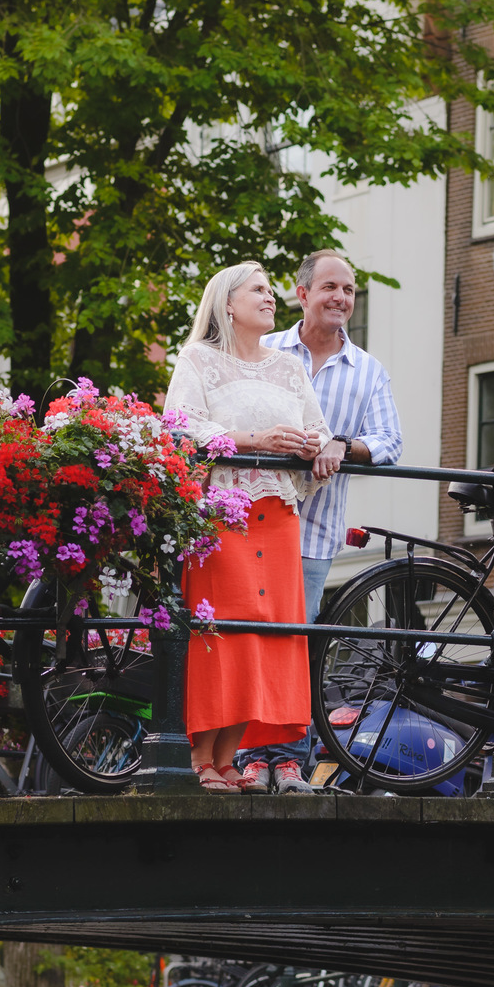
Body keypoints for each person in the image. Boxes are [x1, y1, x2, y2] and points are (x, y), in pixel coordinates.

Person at [162, 261, 339, 792]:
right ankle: (200, 759)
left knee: (266, 631)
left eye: (270, 290)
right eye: (257, 290)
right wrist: (254, 439)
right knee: (223, 629)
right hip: (224, 514)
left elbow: (321, 430)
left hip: (278, 518)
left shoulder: (289, 368)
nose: (270, 297)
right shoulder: (198, 359)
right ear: (227, 302)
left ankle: (230, 757)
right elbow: (180, 426)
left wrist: (317, 446)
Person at [238, 249, 403, 793]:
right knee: (250, 640)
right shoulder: (263, 351)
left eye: (350, 290)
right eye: (330, 287)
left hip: (313, 531)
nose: (341, 298)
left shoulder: (368, 372)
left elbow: (389, 443)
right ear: (302, 294)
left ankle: (287, 758)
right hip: (251, 523)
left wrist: (342, 444)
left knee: (295, 645)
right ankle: (246, 757)